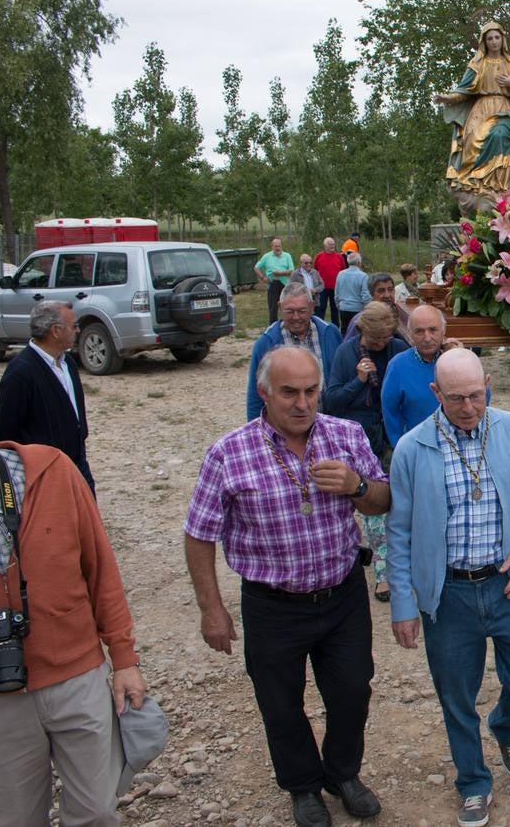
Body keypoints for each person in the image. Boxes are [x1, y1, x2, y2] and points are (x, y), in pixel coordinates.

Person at [185, 346, 390, 827]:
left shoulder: (346, 435)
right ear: (264, 393)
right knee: (280, 703)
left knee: (352, 691)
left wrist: (358, 486)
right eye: (289, 392)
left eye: (311, 391)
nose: (303, 403)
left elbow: (384, 501)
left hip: (341, 595)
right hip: (272, 605)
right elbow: (199, 534)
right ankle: (301, 786)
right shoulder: (229, 452)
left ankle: (342, 774)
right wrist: (211, 609)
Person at [387, 349, 510, 827]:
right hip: (449, 595)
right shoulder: (412, 449)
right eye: (456, 398)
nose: (468, 407)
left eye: (476, 396)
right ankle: (473, 783)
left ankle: (506, 728)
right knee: (456, 697)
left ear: (488, 387)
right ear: (435, 394)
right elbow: (399, 532)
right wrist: (404, 602)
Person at [0, 375, 147, 824]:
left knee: (97, 812)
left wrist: (124, 659)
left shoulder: (51, 470)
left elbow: (100, 567)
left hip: (76, 675)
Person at [327, 301, 409, 602]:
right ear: (362, 330)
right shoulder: (346, 353)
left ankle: (405, 566)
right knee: (372, 505)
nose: (381, 344)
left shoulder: (398, 349)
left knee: (401, 501)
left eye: (385, 338)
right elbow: (332, 401)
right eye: (376, 340)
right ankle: (383, 574)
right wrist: (358, 381)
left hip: (393, 436)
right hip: (360, 439)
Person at [0, 301, 93, 492]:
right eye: (74, 326)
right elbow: (5, 433)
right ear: (56, 331)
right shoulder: (21, 373)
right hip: (45, 473)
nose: (78, 330)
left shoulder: (68, 363)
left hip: (78, 463)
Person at [434, 22, 510, 211]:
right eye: (489, 38)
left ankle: (499, 188)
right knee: (472, 143)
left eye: (497, 37)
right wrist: (448, 97)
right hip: (480, 110)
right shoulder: (477, 64)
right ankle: (479, 188)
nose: (494, 42)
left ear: (502, 39)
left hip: (504, 110)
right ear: (484, 42)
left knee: (499, 134)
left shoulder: (509, 63)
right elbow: (463, 91)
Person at [245, 283, 343, 421]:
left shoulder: (330, 333)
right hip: (285, 426)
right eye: (289, 311)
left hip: (328, 422)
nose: (296, 317)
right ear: (279, 308)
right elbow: (255, 395)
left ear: (312, 307)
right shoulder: (266, 343)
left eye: (302, 311)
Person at [381, 304, 465, 447]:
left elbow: (482, 399)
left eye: (433, 330)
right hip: (417, 447)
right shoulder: (397, 366)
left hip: (459, 443)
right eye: (419, 331)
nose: (427, 338)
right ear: (410, 334)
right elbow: (390, 412)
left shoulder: (460, 360)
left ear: (444, 331)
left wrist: (460, 359)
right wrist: (401, 446)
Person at [344, 273, 409, 342]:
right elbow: (347, 348)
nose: (387, 295)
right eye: (381, 291)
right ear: (371, 294)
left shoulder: (400, 313)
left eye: (390, 290)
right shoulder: (361, 320)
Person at [256, 237, 296, 326]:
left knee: (287, 306)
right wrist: (263, 278)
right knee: (273, 308)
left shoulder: (287, 256)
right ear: (272, 246)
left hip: (284, 284)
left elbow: (292, 270)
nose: (277, 248)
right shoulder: (267, 256)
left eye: (279, 246)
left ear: (282, 246)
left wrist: (280, 273)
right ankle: (273, 327)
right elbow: (256, 267)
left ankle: (288, 325)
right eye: (276, 246)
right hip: (272, 283)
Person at [314, 237, 348, 329]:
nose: (333, 246)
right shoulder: (319, 256)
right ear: (325, 246)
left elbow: (343, 271)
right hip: (322, 288)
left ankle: (335, 328)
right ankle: (318, 327)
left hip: (336, 288)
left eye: (333, 244)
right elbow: (315, 270)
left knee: (335, 309)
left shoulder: (339, 257)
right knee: (320, 309)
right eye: (330, 244)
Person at [334, 253, 371, 328]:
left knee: (344, 330)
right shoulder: (363, 276)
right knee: (357, 331)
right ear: (359, 262)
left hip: (343, 307)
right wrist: (367, 308)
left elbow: (337, 293)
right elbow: (366, 295)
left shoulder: (340, 274)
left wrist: (339, 305)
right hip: (357, 308)